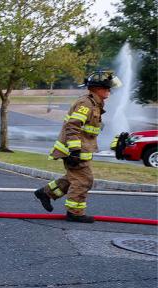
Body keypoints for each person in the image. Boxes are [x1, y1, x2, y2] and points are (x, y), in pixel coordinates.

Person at [34, 71, 121, 223]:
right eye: (107, 88)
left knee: (73, 178)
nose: (109, 91)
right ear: (97, 88)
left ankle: (46, 193)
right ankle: (75, 212)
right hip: (74, 151)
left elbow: (87, 129)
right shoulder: (86, 104)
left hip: (80, 150)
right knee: (84, 181)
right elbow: (72, 127)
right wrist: (74, 151)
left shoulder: (95, 104)